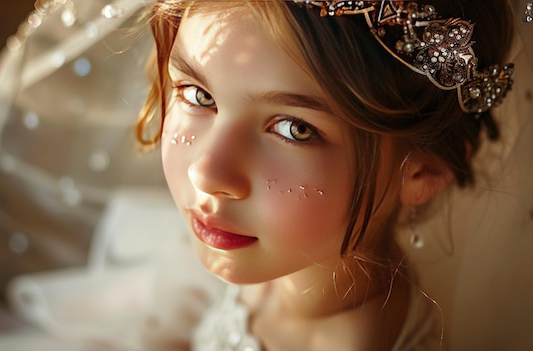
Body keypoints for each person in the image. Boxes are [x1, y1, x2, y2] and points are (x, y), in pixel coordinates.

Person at [135, 1, 530, 350]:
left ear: (421, 173)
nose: (205, 173)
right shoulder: (272, 252)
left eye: (294, 128)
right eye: (198, 95)